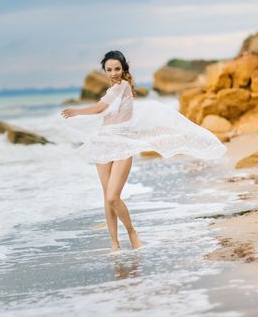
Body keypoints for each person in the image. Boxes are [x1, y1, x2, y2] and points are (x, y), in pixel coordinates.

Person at [59, 50, 226, 251]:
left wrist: (77, 111)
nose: (113, 73)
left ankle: (132, 232)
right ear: (104, 71)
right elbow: (105, 112)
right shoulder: (110, 92)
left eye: (117, 69)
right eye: (109, 69)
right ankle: (114, 243)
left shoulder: (123, 87)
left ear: (123, 69)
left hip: (122, 145)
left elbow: (100, 108)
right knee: (107, 198)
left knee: (113, 196)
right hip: (103, 143)